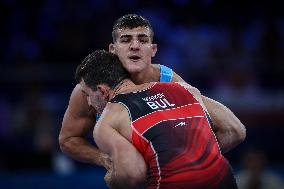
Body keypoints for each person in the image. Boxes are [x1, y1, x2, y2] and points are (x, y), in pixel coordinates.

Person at [59, 14, 246, 170]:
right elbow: (68, 139)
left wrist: (190, 163)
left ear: (153, 49)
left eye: (143, 39)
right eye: (126, 40)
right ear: (112, 50)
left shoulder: (169, 80)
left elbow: (230, 129)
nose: (135, 45)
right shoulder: (92, 88)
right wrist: (104, 159)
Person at [75, 50, 238, 189]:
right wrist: (195, 158)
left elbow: (134, 174)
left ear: (102, 91)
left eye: (87, 95)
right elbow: (235, 130)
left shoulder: (107, 121)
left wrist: (112, 178)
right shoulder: (183, 88)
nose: (88, 102)